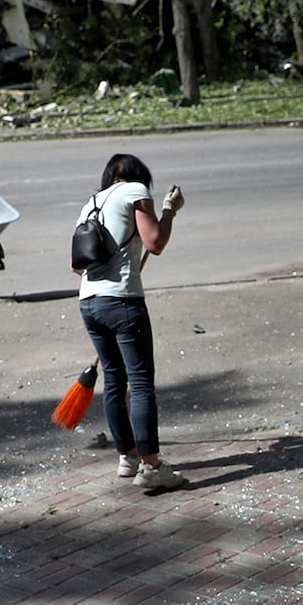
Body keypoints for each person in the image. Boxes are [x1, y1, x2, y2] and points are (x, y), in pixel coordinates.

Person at [75, 153, 188, 493]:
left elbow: (77, 265)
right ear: (138, 176)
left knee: (114, 380)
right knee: (140, 384)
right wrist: (169, 211)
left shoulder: (91, 204)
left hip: (89, 302)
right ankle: (151, 467)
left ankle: (127, 456)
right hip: (122, 302)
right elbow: (155, 242)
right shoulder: (135, 190)